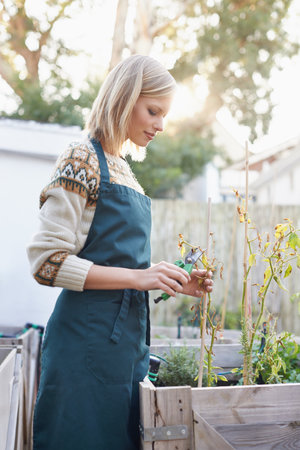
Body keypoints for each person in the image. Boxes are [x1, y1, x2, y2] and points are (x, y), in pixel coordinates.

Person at [27, 54, 213, 450]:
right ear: (125, 98)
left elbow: (121, 263)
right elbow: (46, 262)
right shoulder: (82, 159)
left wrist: (170, 278)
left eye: (165, 115)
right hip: (84, 347)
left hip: (126, 347)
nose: (161, 125)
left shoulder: (124, 169)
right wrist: (137, 277)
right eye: (153, 111)